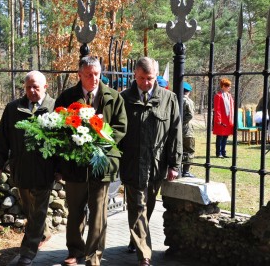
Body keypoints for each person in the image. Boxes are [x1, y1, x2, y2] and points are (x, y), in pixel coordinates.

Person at [55, 56, 127, 266]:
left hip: (102, 163)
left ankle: (93, 255)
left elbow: (121, 128)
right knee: (75, 210)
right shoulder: (67, 97)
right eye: (89, 75)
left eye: (97, 74)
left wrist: (99, 139)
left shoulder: (113, 97)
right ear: (79, 75)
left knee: (98, 213)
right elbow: (58, 130)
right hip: (75, 165)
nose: (94, 79)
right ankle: (75, 252)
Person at [119, 57, 182, 266]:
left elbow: (175, 133)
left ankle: (135, 238)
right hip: (132, 164)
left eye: (150, 78)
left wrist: (175, 164)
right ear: (135, 76)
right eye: (141, 78)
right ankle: (144, 255)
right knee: (137, 208)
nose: (146, 83)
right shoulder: (124, 99)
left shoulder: (169, 98)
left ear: (156, 77)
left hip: (156, 165)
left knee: (149, 206)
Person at [0, 71, 55, 266]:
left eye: (36, 87)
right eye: (28, 87)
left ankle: (27, 252)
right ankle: (45, 233)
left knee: (39, 211)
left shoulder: (55, 108)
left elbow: (62, 142)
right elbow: (2, 138)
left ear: (45, 87)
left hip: (45, 170)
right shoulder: (12, 108)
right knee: (29, 209)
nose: (32, 91)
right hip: (21, 169)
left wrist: (60, 168)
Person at [213, 78, 234, 158]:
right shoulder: (218, 96)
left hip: (228, 119)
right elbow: (217, 108)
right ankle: (218, 153)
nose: (229, 87)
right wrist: (218, 120)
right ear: (223, 86)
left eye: (229, 86)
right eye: (227, 86)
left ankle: (223, 152)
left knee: (225, 136)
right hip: (221, 119)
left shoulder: (229, 96)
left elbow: (232, 108)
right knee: (220, 136)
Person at [182, 82, 196, 178]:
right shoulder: (188, 101)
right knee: (189, 150)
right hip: (187, 129)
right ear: (188, 92)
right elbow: (190, 115)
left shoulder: (174, 99)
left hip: (176, 128)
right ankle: (185, 171)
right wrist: (183, 122)